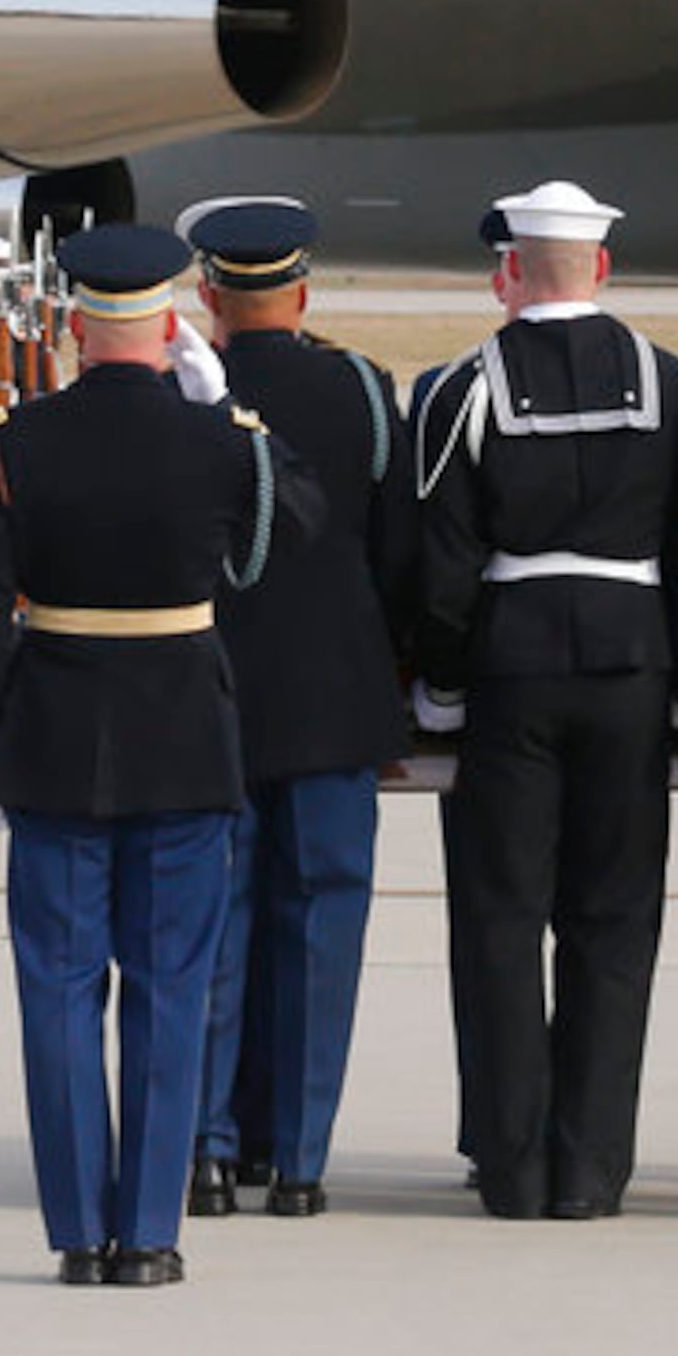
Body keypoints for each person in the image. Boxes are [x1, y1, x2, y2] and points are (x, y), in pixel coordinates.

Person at [0, 222, 313, 1288]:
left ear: (72, 327)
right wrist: (236, 418)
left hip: (55, 743)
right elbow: (297, 520)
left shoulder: (16, 443)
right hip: (183, 744)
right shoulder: (215, 440)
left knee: (59, 992)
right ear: (168, 325)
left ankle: (76, 1229)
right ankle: (150, 1232)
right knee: (170, 987)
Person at [407, 180, 678, 1222]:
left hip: (513, 666)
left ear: (508, 272)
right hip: (632, 663)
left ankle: (511, 1158)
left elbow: (441, 561)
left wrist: (440, 681)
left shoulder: (463, 385)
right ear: (603, 268)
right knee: (614, 921)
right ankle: (593, 1168)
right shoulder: (669, 381)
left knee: (499, 916)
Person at [175, 197, 409, 1224]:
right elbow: (401, 553)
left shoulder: (186, 400)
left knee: (209, 923)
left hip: (208, 694)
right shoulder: (360, 388)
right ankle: (302, 1159)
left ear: (207, 292)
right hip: (334, 695)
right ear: (303, 289)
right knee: (321, 923)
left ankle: (208, 1150)